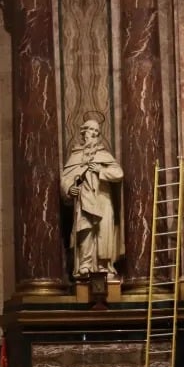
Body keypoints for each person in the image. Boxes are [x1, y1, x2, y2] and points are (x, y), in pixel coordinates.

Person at [60, 117, 125, 277]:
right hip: (84, 200)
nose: (94, 134)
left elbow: (119, 173)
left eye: (97, 131)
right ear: (83, 133)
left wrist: (99, 171)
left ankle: (103, 265)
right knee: (85, 230)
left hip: (103, 199)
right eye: (91, 130)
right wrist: (69, 188)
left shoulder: (104, 155)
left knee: (104, 231)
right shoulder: (75, 156)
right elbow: (65, 178)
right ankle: (85, 264)